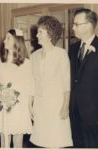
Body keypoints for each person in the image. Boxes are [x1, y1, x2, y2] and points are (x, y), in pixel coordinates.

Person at [30, 16, 73, 148]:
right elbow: (31, 83)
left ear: (49, 34)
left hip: (56, 105)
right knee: (41, 141)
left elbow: (66, 83)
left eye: (40, 32)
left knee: (56, 141)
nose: (37, 35)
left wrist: (65, 106)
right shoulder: (34, 56)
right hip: (39, 104)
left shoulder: (61, 54)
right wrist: (30, 106)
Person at [69, 8, 98, 148]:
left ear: (89, 25)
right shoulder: (72, 49)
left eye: (76, 24)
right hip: (74, 111)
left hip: (94, 113)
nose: (73, 27)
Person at [0, 28, 34, 148]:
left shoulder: (27, 63)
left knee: (18, 142)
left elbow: (30, 86)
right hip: (3, 107)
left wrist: (29, 106)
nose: (4, 41)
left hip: (19, 107)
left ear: (17, 41)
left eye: (8, 38)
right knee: (4, 141)